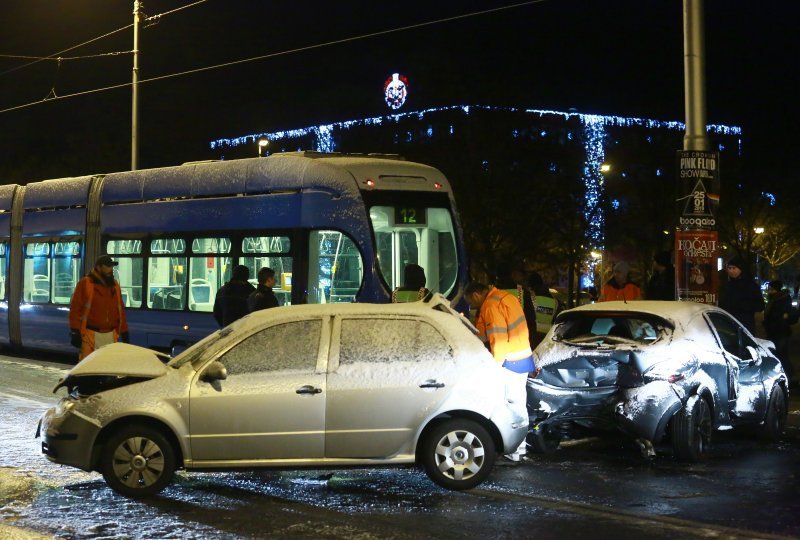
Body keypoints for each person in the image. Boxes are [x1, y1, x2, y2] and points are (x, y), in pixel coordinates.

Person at [465, 281, 534, 462]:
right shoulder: (505, 297)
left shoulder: (490, 305)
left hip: (509, 361)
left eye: (472, 302)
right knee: (518, 403)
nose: (473, 306)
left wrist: (494, 367)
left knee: (512, 405)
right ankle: (520, 449)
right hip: (521, 356)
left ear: (476, 295)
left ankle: (516, 451)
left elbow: (499, 339)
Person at [68, 254, 129, 361]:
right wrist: (75, 331)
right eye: (107, 266)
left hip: (111, 335)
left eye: (112, 266)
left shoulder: (115, 285)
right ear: (99, 267)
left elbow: (120, 311)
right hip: (90, 335)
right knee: (88, 370)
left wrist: (124, 331)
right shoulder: (86, 283)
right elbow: (75, 309)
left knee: (108, 369)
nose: (111, 269)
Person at [718, 255, 764, 334]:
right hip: (728, 326)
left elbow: (760, 306)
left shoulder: (751, 286)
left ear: (741, 269)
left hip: (745, 326)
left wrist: (743, 305)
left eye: (734, 268)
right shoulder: (726, 285)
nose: (731, 271)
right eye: (729, 268)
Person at [762, 280, 795, 385]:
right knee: (779, 354)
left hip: (780, 331)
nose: (769, 291)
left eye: (771, 289)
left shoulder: (780, 299)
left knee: (780, 355)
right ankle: (787, 376)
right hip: (775, 330)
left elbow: (780, 315)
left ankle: (790, 377)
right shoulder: (775, 299)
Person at [526, 270, 560, 347]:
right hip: (548, 340)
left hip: (532, 338)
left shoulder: (530, 300)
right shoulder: (555, 302)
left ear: (531, 286)